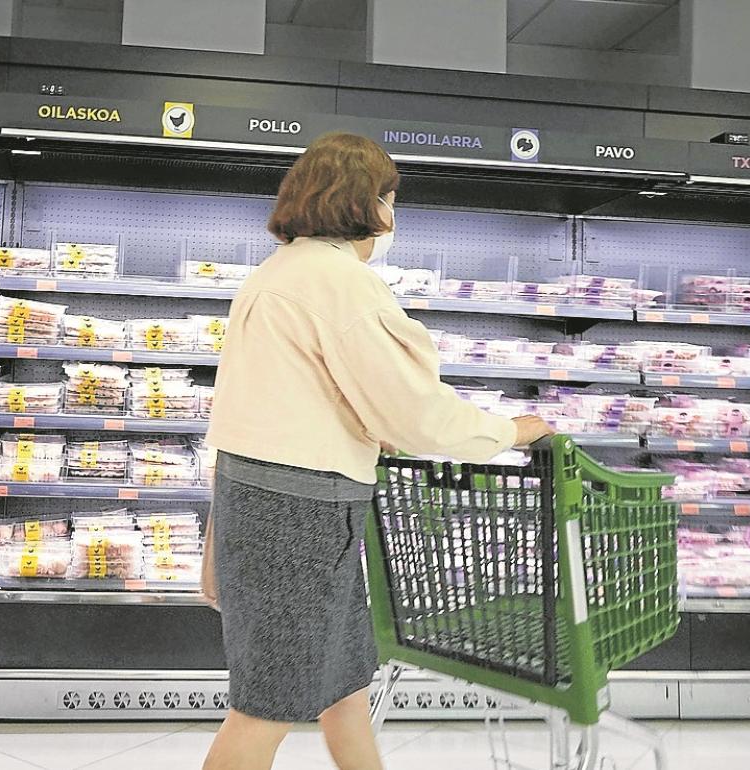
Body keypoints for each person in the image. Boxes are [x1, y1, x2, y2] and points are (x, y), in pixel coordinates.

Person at [201, 132, 552, 770]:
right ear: (371, 203)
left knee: (343, 684)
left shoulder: (274, 273)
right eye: (390, 198)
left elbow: (249, 413)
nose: (393, 215)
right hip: (300, 513)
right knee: (267, 707)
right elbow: (416, 412)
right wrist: (513, 430)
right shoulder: (341, 283)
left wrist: (216, 538)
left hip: (263, 501)